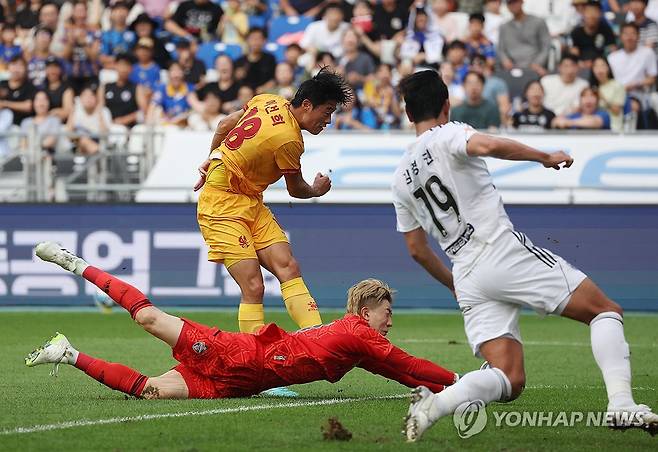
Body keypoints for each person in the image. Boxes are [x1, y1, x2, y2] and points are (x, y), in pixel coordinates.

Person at [391, 70, 658, 442]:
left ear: (407, 115)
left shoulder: (400, 176)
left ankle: (434, 405)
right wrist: (544, 157)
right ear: (447, 105)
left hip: (466, 273)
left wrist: (454, 285)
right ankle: (622, 404)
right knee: (605, 311)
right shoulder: (449, 133)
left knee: (509, 378)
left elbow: (416, 249)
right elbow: (486, 146)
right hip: (500, 250)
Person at [26, 242, 459, 400]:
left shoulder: (357, 342)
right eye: (388, 313)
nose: (391, 322)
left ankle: (68, 352)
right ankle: (76, 263)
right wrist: (458, 380)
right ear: (367, 312)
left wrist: (436, 390)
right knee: (150, 319)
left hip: (239, 383)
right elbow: (407, 363)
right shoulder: (357, 331)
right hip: (238, 354)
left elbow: (395, 370)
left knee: (151, 391)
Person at [193, 68, 353, 334]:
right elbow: (295, 189)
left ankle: (318, 340)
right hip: (222, 204)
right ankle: (252, 360)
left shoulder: (269, 100)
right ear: (306, 105)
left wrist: (212, 159)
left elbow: (224, 125)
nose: (328, 120)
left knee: (288, 266)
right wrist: (315, 190)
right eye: (326, 112)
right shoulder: (289, 140)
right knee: (253, 286)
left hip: (249, 200)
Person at [498, 0, 551, 77]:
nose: (513, 5)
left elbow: (546, 46)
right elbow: (501, 49)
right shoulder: (504, 27)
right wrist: (505, 60)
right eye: (509, 3)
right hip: (512, 68)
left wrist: (538, 63)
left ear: (522, 2)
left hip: (535, 66)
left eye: (515, 2)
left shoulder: (538, 22)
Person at [569, 0, 617, 67]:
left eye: (595, 11)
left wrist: (600, 63)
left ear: (600, 13)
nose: (592, 15)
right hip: (582, 67)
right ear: (583, 13)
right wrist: (580, 63)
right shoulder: (576, 32)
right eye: (589, 12)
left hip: (602, 67)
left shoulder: (606, 30)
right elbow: (573, 55)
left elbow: (613, 51)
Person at [234, 28, 277, 93]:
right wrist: (237, 76)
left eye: (259, 39)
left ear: (264, 41)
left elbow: (274, 79)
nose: (256, 42)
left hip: (264, 95)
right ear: (247, 40)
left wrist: (264, 88)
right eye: (253, 39)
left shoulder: (270, 59)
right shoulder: (240, 61)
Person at [589, 56, 626, 131]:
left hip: (613, 126)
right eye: (596, 66)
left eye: (602, 65)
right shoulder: (590, 87)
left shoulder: (617, 85)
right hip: (593, 126)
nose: (599, 69)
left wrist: (601, 97)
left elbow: (616, 111)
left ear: (608, 68)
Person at [0, 56, 36, 126]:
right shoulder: (2, 84)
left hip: (21, 127)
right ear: (8, 67)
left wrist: (4, 104)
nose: (16, 69)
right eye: (14, 64)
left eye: (20, 66)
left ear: (26, 69)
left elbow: (28, 106)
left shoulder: (29, 86)